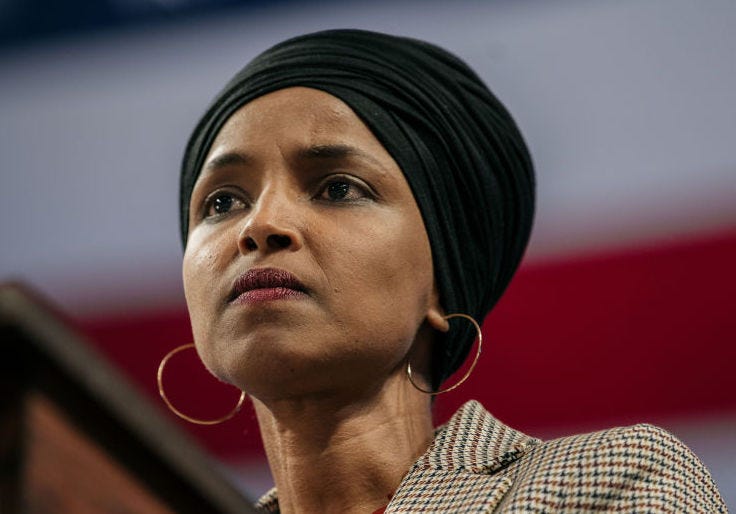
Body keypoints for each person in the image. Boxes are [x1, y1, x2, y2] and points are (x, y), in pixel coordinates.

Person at [167, 29, 726, 513]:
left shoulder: (605, 483)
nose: (259, 225)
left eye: (337, 188)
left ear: (442, 276)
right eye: (222, 202)